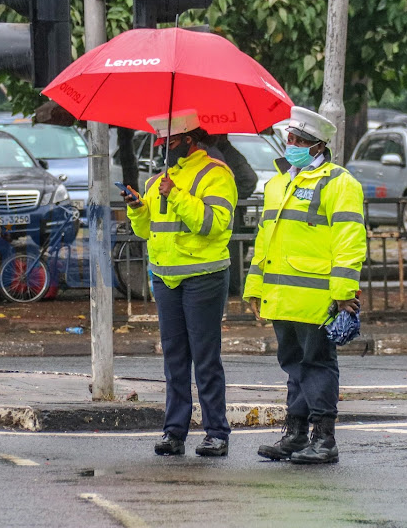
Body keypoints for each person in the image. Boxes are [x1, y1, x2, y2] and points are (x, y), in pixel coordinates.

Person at [243, 106, 366, 465]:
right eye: (289, 139)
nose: (290, 145)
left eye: (297, 140)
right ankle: (295, 434)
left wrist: (344, 296)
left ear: (316, 147)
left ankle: (324, 439)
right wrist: (255, 287)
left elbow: (350, 240)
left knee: (317, 364)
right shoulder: (278, 184)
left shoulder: (339, 183)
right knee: (293, 364)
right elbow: (264, 240)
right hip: (282, 295)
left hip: (317, 297)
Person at [124, 110, 238, 457]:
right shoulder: (157, 180)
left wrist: (175, 194)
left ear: (190, 140)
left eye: (170, 142)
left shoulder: (216, 175)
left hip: (203, 276)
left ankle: (216, 432)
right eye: (160, 142)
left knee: (205, 358)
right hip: (165, 278)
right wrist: (137, 209)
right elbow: (146, 231)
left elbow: (212, 224)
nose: (164, 148)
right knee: (174, 359)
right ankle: (174, 432)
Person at [201, 134, 257, 296]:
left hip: (226, 213)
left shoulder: (220, 154)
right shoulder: (224, 153)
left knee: (229, 250)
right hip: (228, 211)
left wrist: (230, 197)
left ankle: (231, 289)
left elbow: (249, 179)